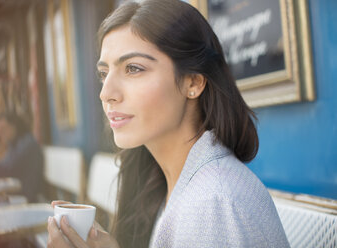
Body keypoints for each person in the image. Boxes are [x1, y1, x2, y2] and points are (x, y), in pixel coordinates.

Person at [47, 0, 290, 247]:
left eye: (133, 68)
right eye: (103, 73)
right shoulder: (166, 183)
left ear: (193, 83)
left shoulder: (212, 205)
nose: (106, 92)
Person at [0, 112, 44, 202]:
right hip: (20, 193)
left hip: (29, 198)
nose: (1, 134)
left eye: (3, 129)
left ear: (14, 126)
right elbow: (3, 167)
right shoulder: (15, 143)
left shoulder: (26, 144)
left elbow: (5, 170)